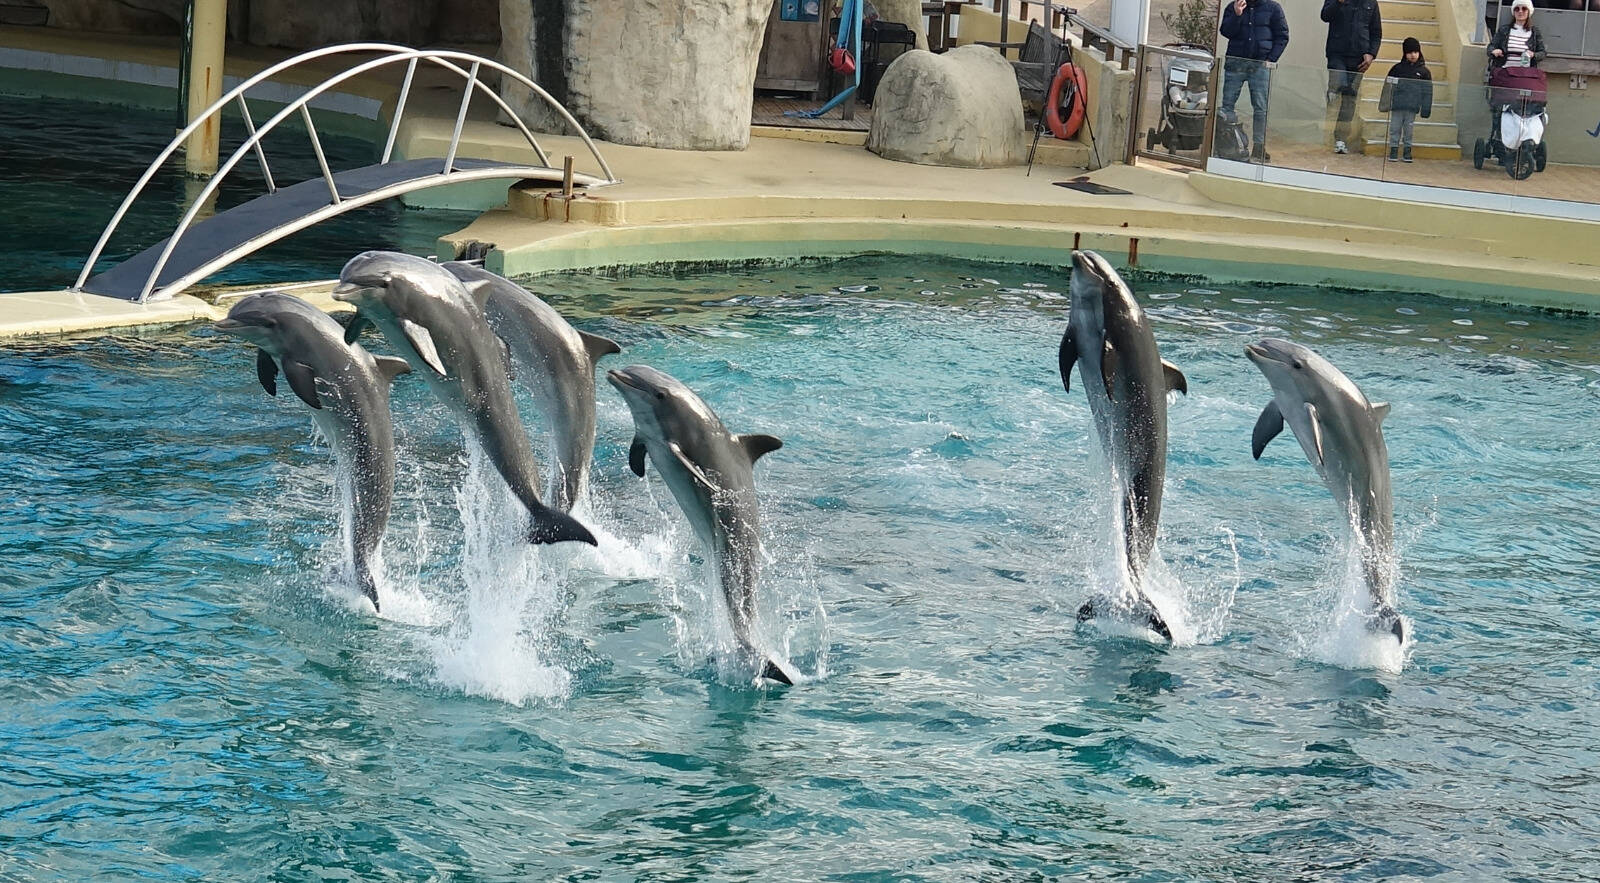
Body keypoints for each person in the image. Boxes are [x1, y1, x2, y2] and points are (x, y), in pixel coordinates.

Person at [1219, 0, 1290, 163]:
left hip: (1260, 65)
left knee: (1260, 108)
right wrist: (1237, 15)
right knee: (1227, 106)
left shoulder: (1273, 8)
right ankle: (1225, 144)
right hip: (1235, 64)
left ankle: (1259, 146)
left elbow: (1282, 36)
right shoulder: (1233, 6)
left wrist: (1271, 59)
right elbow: (1226, 31)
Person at [1322, 0, 1383, 155]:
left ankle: (1340, 139)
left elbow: (1376, 32)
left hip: (1358, 58)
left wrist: (1371, 54)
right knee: (1337, 87)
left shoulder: (1371, 3)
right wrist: (1338, 3)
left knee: (1349, 98)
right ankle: (1325, 129)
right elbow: (1325, 16)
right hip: (1337, 54)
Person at [1378, 37, 1432, 162]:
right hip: (1397, 106)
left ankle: (1407, 151)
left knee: (1409, 130)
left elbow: (1427, 92)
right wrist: (1385, 104)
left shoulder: (1424, 72)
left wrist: (1426, 109)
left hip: (1412, 107)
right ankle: (1394, 150)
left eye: (1415, 52)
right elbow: (1388, 87)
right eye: (1409, 52)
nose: (1413, 55)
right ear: (1404, 53)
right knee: (1394, 128)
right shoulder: (1397, 69)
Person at [1490, 0, 1547, 69]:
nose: (1520, 11)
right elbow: (1491, 47)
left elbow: (1543, 53)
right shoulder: (1504, 30)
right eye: (1517, 9)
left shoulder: (1534, 32)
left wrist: (1533, 55)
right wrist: (1494, 51)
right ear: (1513, 12)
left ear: (1529, 12)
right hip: (1504, 71)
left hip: (1525, 73)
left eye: (1524, 9)